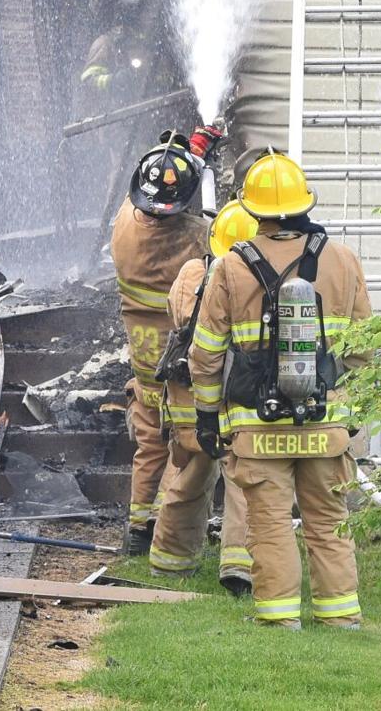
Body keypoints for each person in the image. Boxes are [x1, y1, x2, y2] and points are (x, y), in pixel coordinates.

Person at [188, 151, 371, 630]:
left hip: (257, 429)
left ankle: (279, 618)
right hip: (325, 425)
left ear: (253, 212)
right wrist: (350, 412)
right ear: (305, 202)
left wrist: (206, 417)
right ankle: (340, 616)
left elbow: (206, 353)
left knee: (268, 525)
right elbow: (364, 350)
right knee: (329, 523)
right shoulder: (344, 260)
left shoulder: (230, 266)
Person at [110, 131, 211, 556]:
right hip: (181, 357)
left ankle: (136, 529)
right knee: (183, 446)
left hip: (144, 352)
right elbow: (220, 243)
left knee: (149, 442)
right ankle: (167, 531)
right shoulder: (194, 236)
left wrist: (192, 154)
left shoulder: (123, 226)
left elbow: (158, 190)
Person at [149, 200, 255, 592]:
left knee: (190, 476)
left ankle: (169, 562)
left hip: (184, 396)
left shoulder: (191, 273)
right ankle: (239, 568)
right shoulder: (248, 282)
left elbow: (177, 319)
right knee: (242, 477)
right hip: (227, 396)